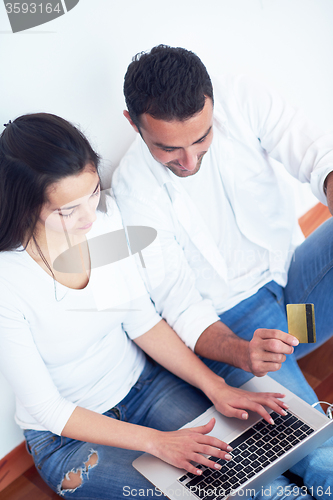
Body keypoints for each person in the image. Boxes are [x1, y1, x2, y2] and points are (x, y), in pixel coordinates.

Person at [0, 113, 293, 499]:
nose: (90, 216)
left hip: (147, 387)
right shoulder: (10, 283)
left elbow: (142, 320)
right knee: (203, 492)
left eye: (92, 193)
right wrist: (158, 442)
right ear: (27, 205)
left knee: (261, 480)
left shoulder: (103, 224)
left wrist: (216, 385)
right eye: (68, 210)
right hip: (66, 438)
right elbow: (48, 410)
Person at [112, 45, 333, 496]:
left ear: (213, 103)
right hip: (237, 332)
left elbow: (317, 155)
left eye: (201, 139)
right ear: (132, 123)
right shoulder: (133, 190)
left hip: (297, 302)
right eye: (169, 149)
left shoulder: (244, 95)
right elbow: (180, 305)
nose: (189, 161)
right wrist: (240, 353)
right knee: (316, 448)